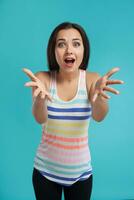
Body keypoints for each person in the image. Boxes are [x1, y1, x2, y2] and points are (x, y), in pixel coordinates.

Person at [23, 22, 124, 200]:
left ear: (84, 50)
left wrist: (99, 96)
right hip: (45, 173)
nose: (69, 50)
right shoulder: (42, 79)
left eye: (76, 43)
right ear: (53, 51)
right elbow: (40, 118)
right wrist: (39, 100)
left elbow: (99, 116)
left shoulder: (92, 79)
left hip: (81, 175)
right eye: (61, 44)